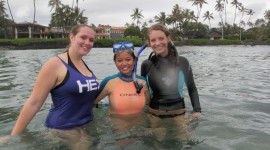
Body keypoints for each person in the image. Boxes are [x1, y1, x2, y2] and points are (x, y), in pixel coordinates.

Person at [9, 24, 99, 149]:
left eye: (91, 40)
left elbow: (84, 94)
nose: (87, 42)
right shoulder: (55, 64)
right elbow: (34, 103)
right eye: (83, 37)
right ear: (71, 37)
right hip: (62, 128)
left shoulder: (83, 63)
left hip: (86, 123)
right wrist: (13, 137)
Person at [141, 24, 201, 125]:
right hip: (155, 111)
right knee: (157, 139)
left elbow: (192, 88)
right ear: (149, 43)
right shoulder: (146, 64)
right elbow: (144, 92)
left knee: (184, 139)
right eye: (153, 40)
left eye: (161, 38)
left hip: (179, 111)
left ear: (168, 38)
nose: (157, 43)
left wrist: (197, 111)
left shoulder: (182, 62)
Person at [94, 42, 150, 115]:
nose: (124, 63)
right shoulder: (108, 82)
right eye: (119, 60)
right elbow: (92, 103)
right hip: (116, 126)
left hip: (140, 126)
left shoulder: (142, 81)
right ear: (115, 62)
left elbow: (148, 104)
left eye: (128, 59)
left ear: (134, 61)